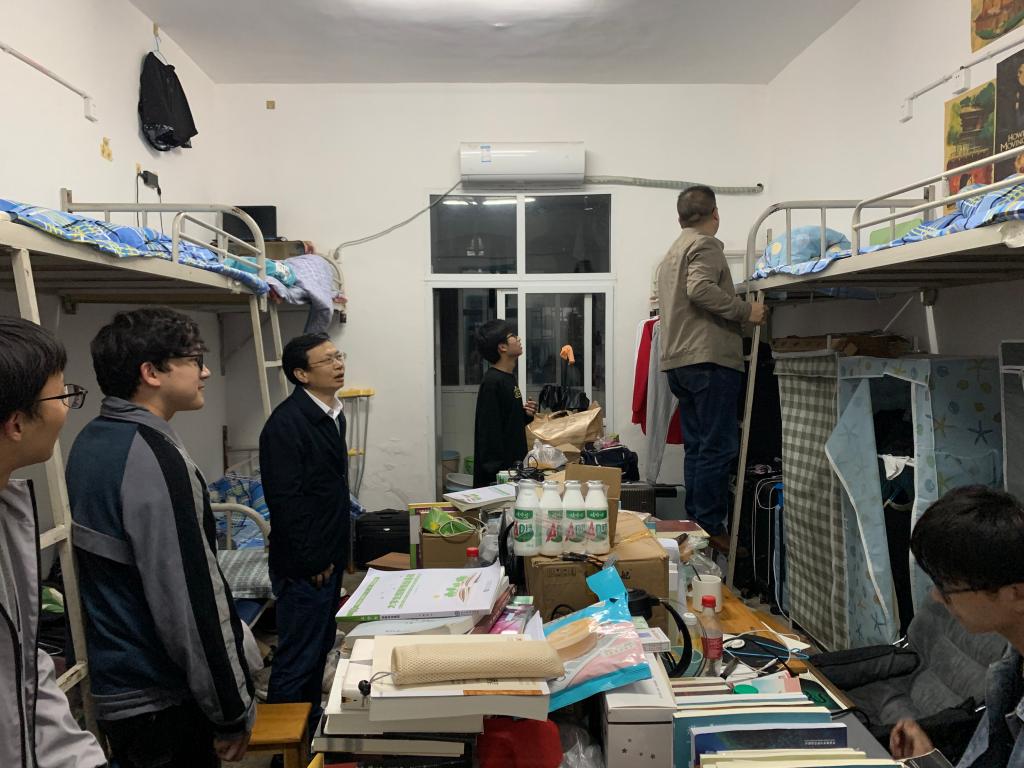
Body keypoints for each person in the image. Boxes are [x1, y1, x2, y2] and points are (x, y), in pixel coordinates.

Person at [66, 308, 254, 767]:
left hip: (123, 686)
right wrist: (231, 709)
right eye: (194, 360)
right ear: (151, 372)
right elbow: (188, 598)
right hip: (159, 698)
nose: (205, 372)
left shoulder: (94, 438)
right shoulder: (150, 454)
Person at [0, 316, 108, 768]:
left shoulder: (8, 511)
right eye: (62, 396)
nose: (67, 408)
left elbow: (23, 669)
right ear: (16, 423)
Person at [656, 185, 767, 549]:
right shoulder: (704, 245)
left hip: (680, 362)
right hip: (708, 359)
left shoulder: (672, 253)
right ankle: (709, 524)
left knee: (698, 447)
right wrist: (746, 311)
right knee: (717, 448)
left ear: (679, 218)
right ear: (715, 213)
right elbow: (700, 288)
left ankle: (696, 522)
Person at [890, 485, 1024, 767]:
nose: (937, 597)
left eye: (948, 587)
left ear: (1016, 594)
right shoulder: (1011, 667)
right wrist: (928, 759)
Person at [259, 332, 350, 743]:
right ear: (301, 374)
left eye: (338, 356)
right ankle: (284, 750)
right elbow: (286, 502)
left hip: (327, 556)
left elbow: (327, 490)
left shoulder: (332, 414)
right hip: (305, 566)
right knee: (297, 661)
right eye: (327, 360)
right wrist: (313, 560)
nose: (338, 364)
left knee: (317, 651)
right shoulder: (286, 425)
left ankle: (309, 734)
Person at [472, 319, 536, 488]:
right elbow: (488, 432)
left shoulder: (508, 378)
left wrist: (525, 415)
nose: (518, 338)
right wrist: (497, 475)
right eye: (512, 335)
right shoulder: (492, 382)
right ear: (502, 347)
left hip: (513, 468)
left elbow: (507, 421)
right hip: (500, 477)